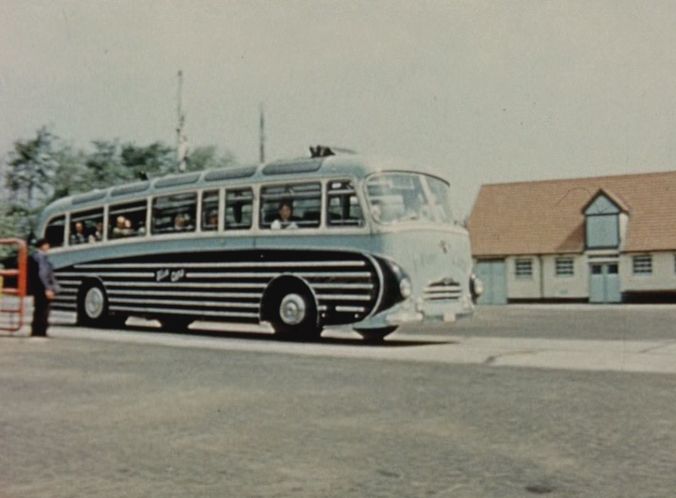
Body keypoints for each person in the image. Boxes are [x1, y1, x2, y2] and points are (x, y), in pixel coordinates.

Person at [30, 238, 61, 337]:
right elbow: (43, 273)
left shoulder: (34, 256)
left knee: (38, 309)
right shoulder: (41, 257)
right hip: (42, 287)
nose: (48, 247)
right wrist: (48, 288)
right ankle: (41, 331)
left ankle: (36, 330)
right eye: (47, 245)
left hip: (36, 287)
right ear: (43, 246)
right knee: (43, 310)